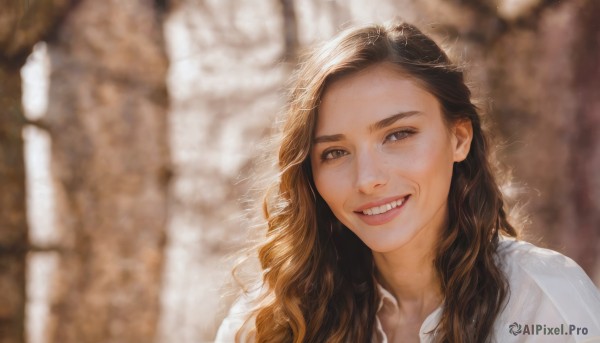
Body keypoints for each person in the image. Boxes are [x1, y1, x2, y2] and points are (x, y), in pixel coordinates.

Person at [215, 21, 600, 343]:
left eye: (398, 134)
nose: (367, 179)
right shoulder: (269, 319)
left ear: (459, 138)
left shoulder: (545, 301)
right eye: (334, 152)